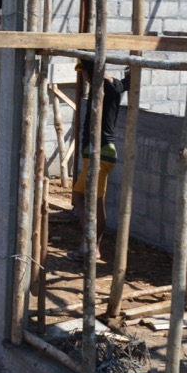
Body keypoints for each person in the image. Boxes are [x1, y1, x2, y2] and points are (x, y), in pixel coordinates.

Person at [67, 62, 129, 263]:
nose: (83, 78)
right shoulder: (116, 84)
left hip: (98, 153)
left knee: (86, 199)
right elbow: (129, 81)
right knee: (83, 198)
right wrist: (131, 68)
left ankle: (92, 246)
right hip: (101, 152)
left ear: (88, 72)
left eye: (83, 73)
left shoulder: (100, 87)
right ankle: (89, 245)